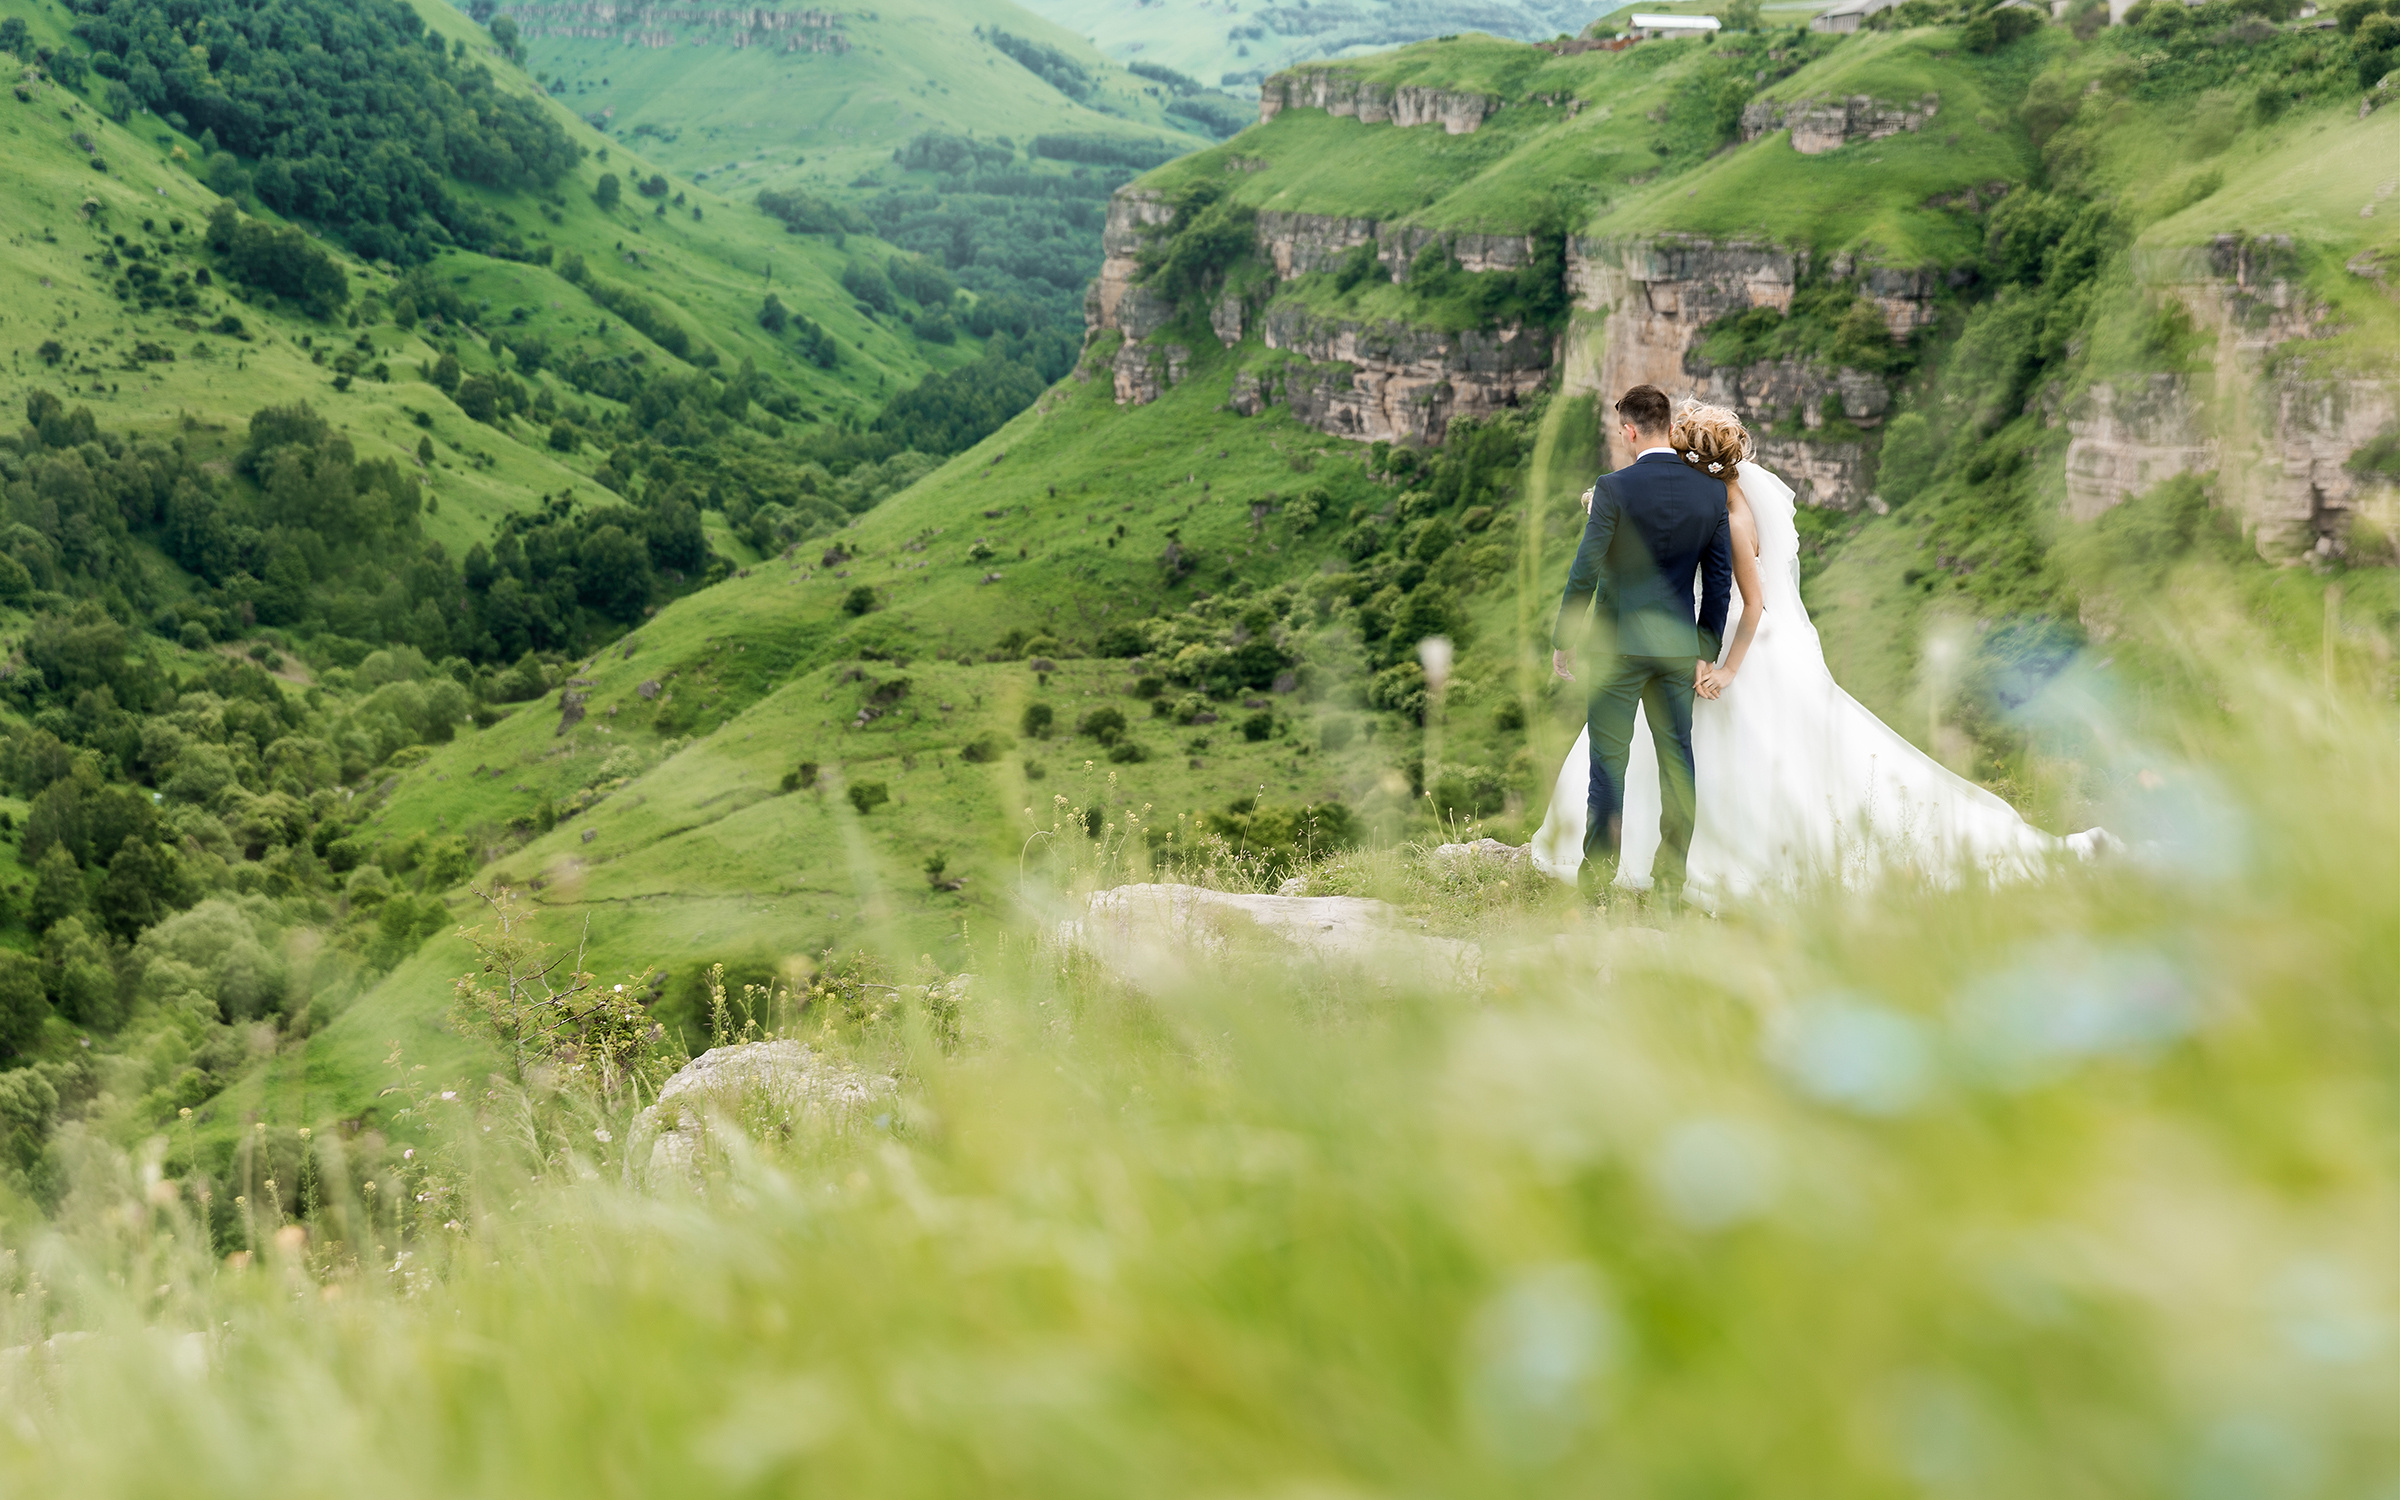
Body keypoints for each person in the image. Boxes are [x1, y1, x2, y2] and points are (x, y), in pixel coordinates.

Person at [1532, 399, 2110, 906]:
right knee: (1692, 758)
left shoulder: (1726, 514)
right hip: (1693, 641)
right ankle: (1665, 867)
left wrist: (1725, 665)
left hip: (1722, 644)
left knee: (1740, 761)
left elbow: (1746, 600)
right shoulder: (1707, 501)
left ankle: (1705, 864)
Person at [1547, 384, 1735, 908]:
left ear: (1629, 431)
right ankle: (1670, 883)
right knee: (1678, 763)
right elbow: (1718, 582)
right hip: (1677, 652)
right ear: (1668, 427)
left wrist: (1565, 638)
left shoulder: (1613, 488)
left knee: (1609, 764)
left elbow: (1585, 569)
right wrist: (1704, 649)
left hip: (1616, 651)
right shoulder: (1710, 493)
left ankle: (1596, 883)